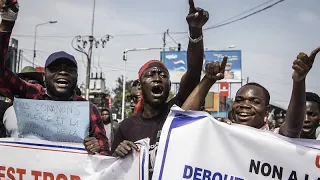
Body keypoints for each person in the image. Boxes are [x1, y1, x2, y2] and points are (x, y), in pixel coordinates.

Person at [112, 1, 208, 177]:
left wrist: (195, 31)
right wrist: (118, 152)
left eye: (163, 75)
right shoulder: (126, 127)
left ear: (170, 86)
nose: (157, 78)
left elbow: (194, 72)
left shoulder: (178, 111)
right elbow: (110, 170)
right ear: (140, 86)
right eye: (151, 75)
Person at [0, 0, 109, 155]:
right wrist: (7, 21)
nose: (63, 73)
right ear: (44, 77)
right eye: (55, 69)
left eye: (69, 70)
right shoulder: (32, 96)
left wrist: (97, 149)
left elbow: (106, 154)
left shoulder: (88, 110)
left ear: (76, 77)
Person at [183, 47, 320, 138]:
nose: (245, 105)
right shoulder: (219, 128)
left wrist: (299, 82)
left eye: (255, 101)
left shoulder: (274, 137)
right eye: (239, 100)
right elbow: (182, 121)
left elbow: (293, 129)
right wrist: (208, 80)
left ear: (266, 111)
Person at [3, 66, 44, 137]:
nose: (28, 85)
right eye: (22, 82)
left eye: (32, 82)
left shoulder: (47, 111)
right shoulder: (10, 111)